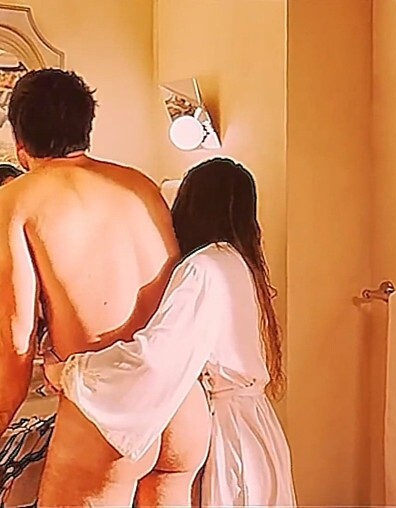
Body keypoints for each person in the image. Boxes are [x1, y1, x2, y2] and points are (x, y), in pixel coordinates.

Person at [0, 69, 211, 506]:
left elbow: (13, 339)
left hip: (106, 410)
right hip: (180, 404)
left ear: (18, 139)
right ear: (85, 127)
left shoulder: (12, 202)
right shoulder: (140, 185)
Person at [59, 157, 297, 507]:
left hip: (232, 441)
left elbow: (157, 357)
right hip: (257, 432)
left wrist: (74, 372)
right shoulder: (237, 262)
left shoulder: (204, 268)